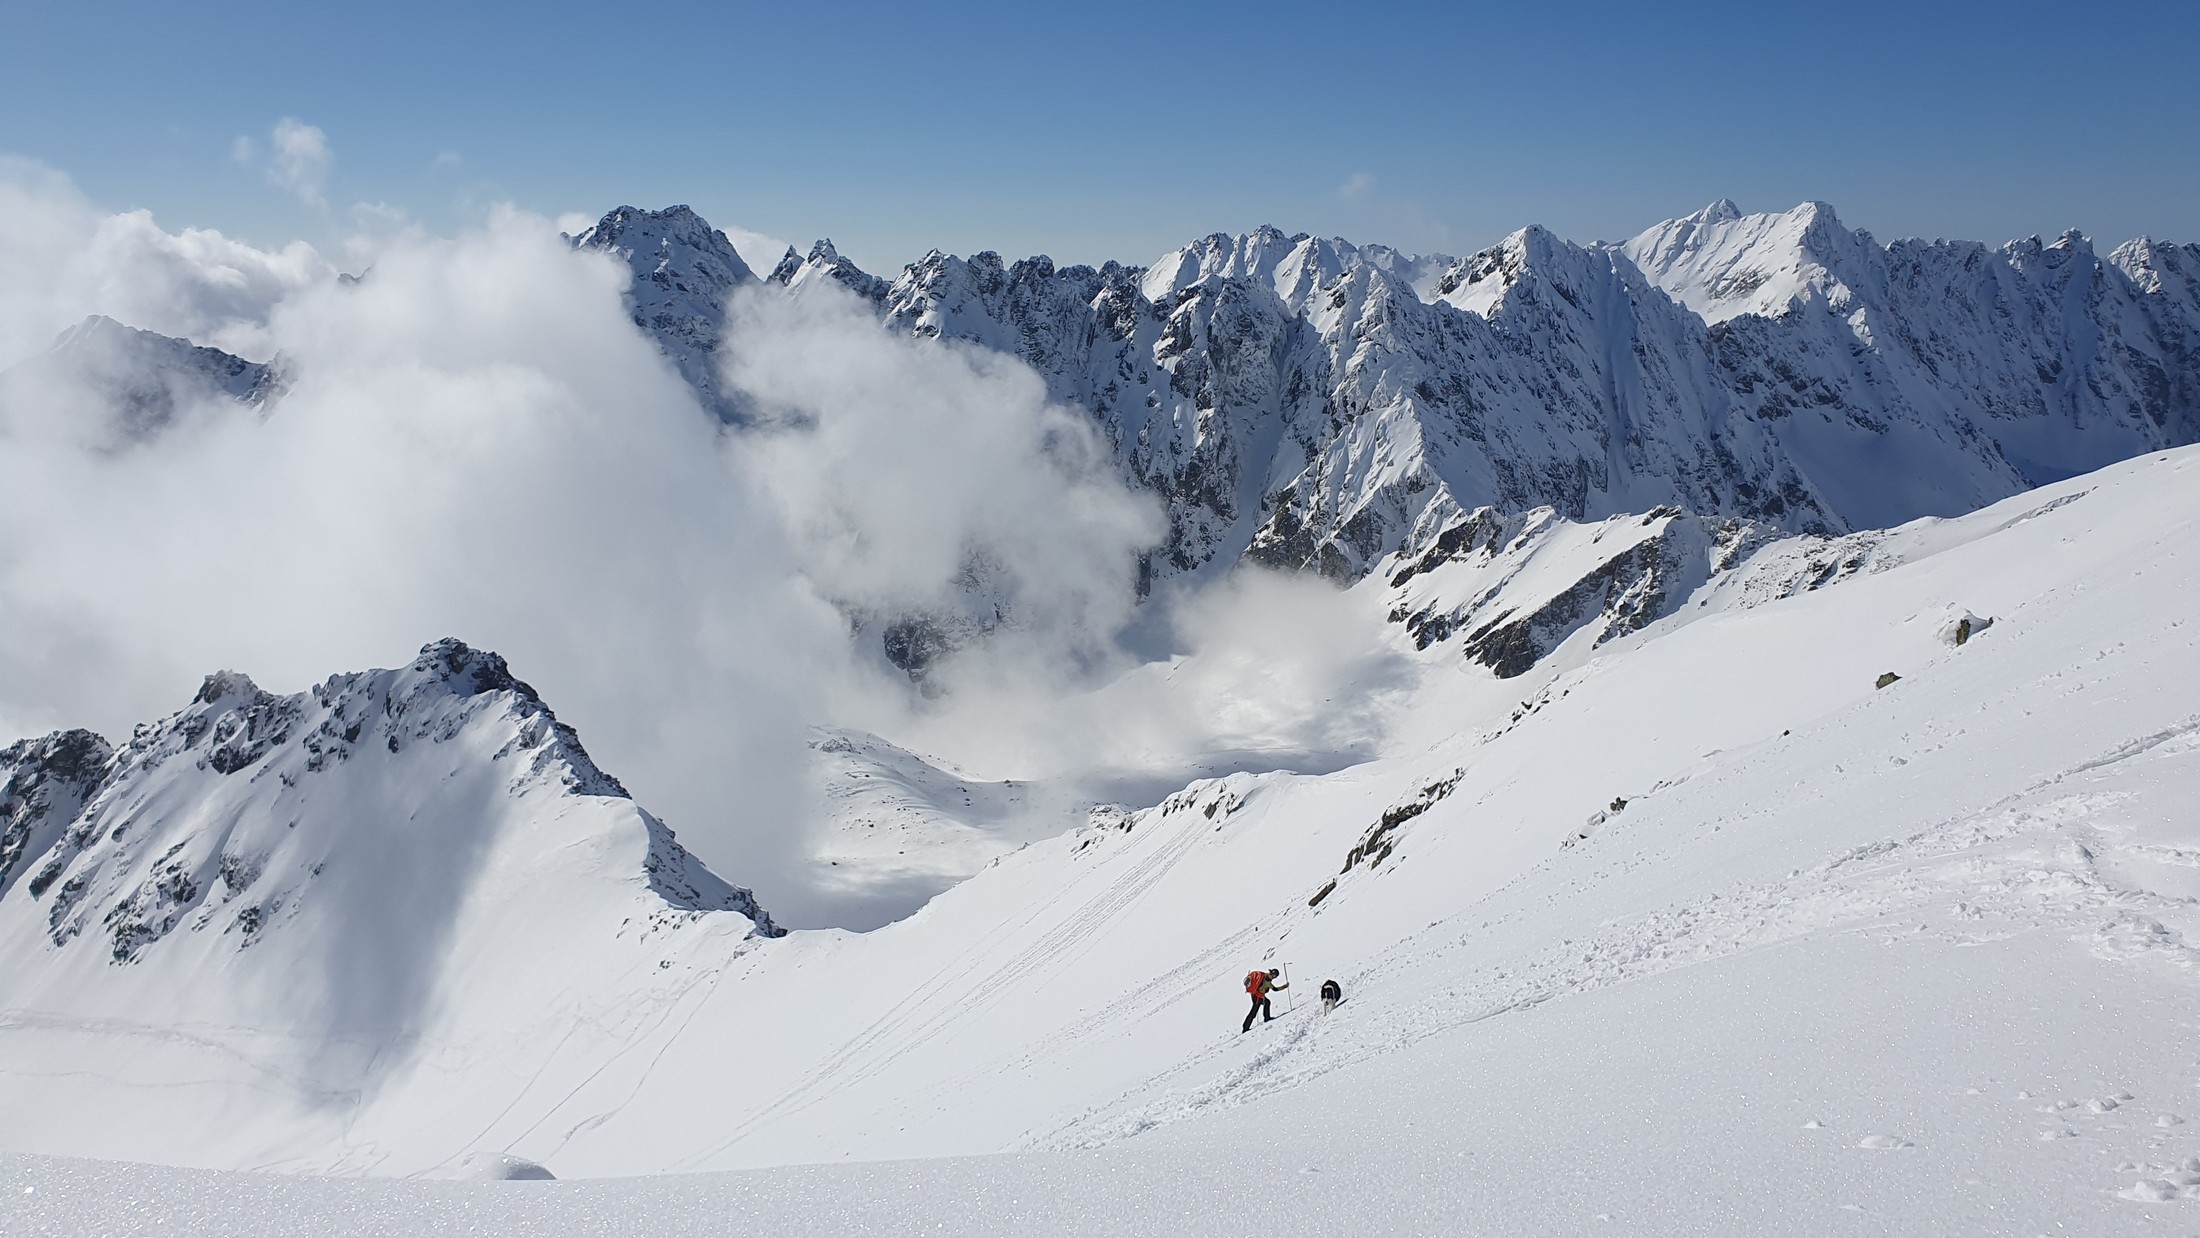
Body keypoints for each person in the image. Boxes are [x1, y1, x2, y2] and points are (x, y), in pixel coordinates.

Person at [1242, 968, 1287, 1032]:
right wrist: (1285, 986)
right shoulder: (1267, 980)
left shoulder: (1263, 975)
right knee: (1253, 1012)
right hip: (1258, 997)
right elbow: (1275, 989)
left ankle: (1266, 1018)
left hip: (1255, 995)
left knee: (1267, 1002)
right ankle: (1245, 1028)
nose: (1273, 977)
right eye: (1274, 975)